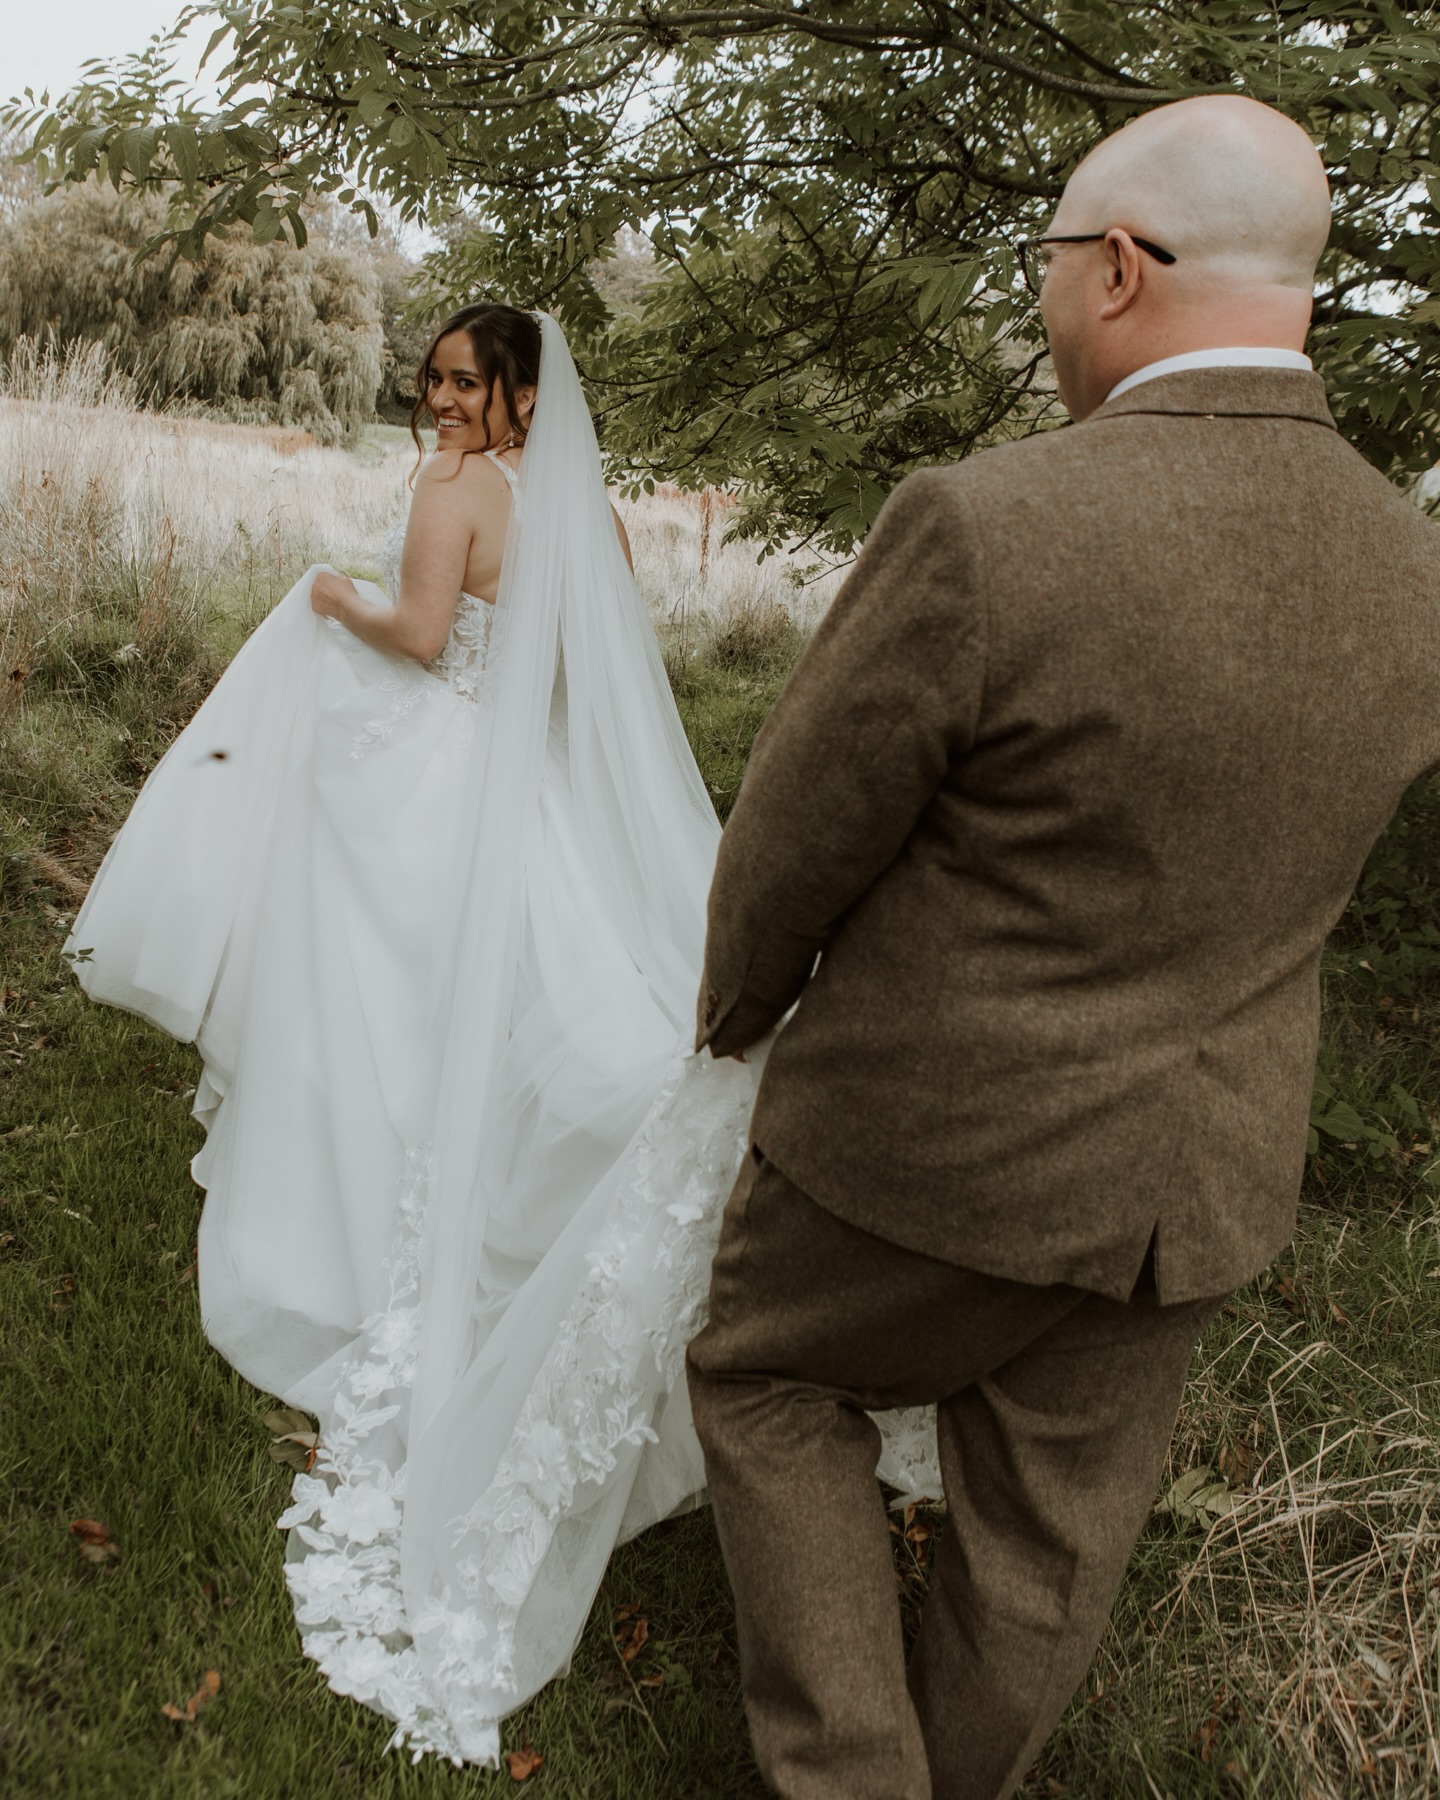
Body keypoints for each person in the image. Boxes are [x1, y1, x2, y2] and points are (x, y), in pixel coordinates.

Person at [686, 95, 1440, 1800]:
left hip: (923, 1148)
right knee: (1046, 1544)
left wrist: (737, 1002)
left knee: (766, 1378)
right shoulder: (1416, 570)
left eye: (1046, 265)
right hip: (1197, 1182)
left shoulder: (986, 523)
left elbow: (794, 835)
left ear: (1116, 269)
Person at [65, 304, 937, 1763]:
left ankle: (380, 1199)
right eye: (434, 385)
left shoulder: (449, 493)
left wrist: (322, 597)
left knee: (379, 985)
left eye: (465, 382)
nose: (444, 405)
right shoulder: (581, 506)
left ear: (518, 392)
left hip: (443, 784)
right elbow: (584, 685)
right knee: (529, 997)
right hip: (532, 788)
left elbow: (417, 639)